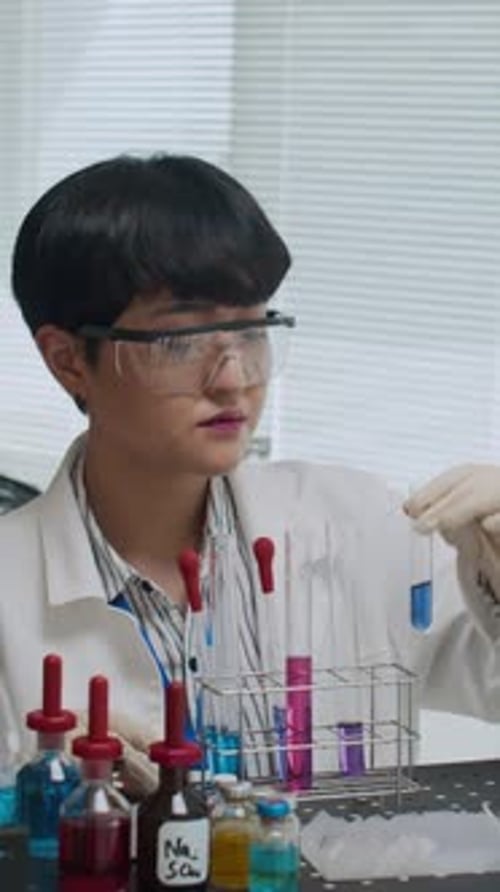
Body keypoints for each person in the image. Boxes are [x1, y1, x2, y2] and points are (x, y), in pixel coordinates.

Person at [2, 153, 500, 794]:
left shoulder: (356, 525)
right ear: (69, 361)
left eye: (253, 331)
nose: (234, 379)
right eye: (181, 341)